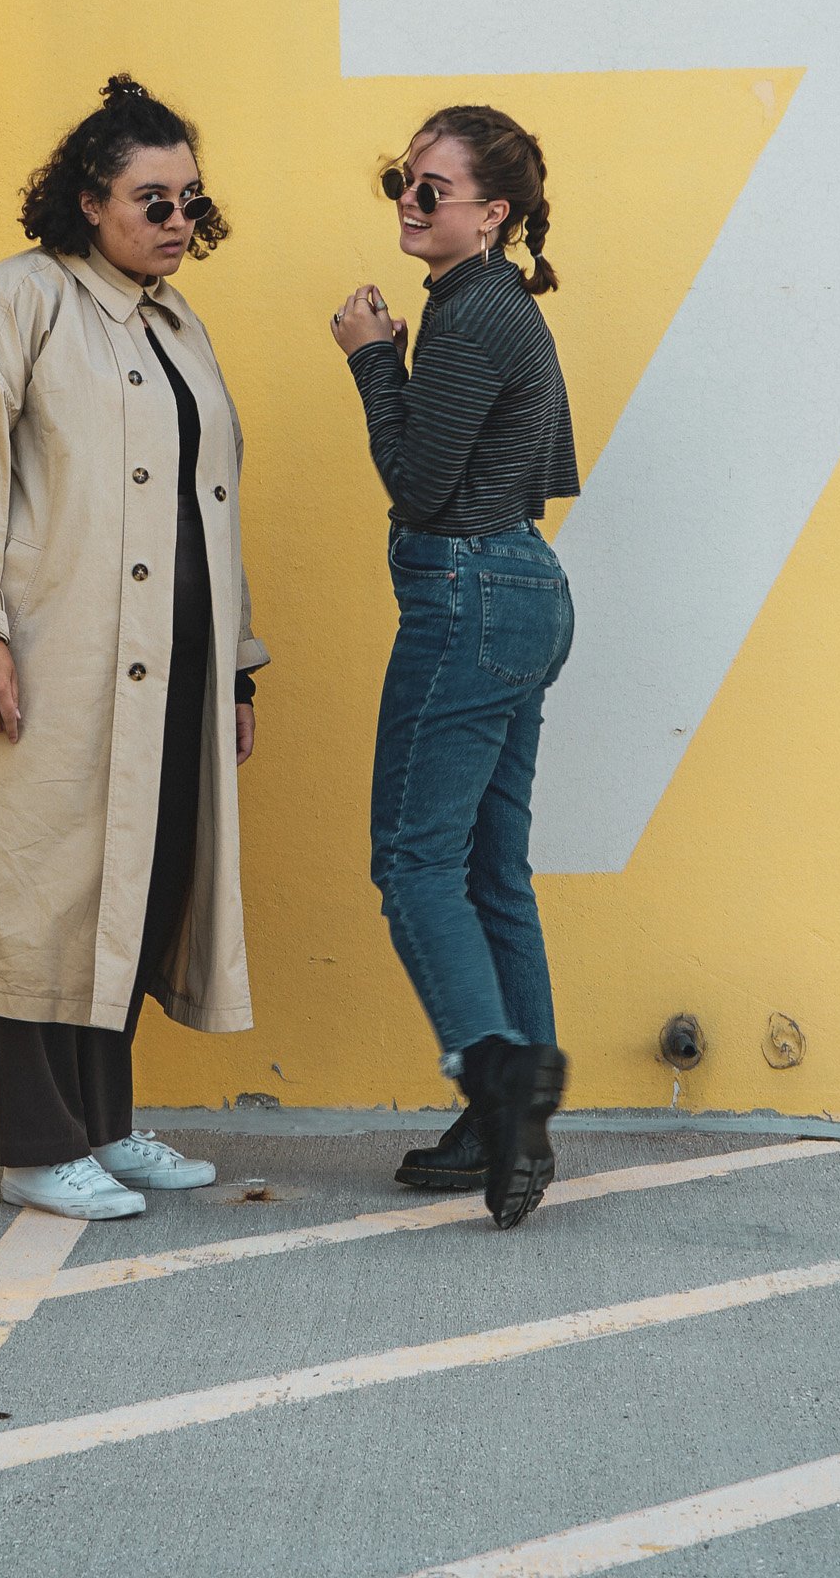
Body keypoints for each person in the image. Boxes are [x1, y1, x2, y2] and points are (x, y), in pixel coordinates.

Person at [0, 75, 268, 1220]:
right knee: (36, 890)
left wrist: (235, 663)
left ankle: (105, 1124)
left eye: (191, 197)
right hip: (50, 662)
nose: (179, 216)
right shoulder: (15, 300)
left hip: (169, 669)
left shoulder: (177, 325)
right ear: (89, 199)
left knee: (129, 885)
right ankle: (38, 1144)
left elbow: (215, 508)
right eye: (153, 196)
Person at [330, 105, 579, 1229]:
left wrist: (372, 359)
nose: (410, 200)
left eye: (433, 187)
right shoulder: (496, 307)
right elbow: (541, 467)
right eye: (402, 178)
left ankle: (503, 1093)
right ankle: (505, 1119)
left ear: (494, 212)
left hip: (470, 594)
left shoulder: (471, 316)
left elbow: (422, 487)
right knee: (491, 870)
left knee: (415, 863)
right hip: (520, 588)